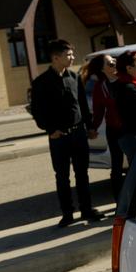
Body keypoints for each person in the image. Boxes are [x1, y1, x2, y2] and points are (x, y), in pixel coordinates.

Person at [30, 39, 104, 227]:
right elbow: (37, 110)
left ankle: (86, 209)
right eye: (68, 55)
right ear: (56, 57)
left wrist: (90, 127)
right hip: (58, 137)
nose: (72, 58)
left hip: (78, 134)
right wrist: (49, 129)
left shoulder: (74, 77)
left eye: (72, 54)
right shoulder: (41, 82)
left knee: (82, 173)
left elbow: (81, 105)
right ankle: (67, 213)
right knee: (62, 176)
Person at [81, 54, 125, 201]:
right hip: (114, 130)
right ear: (102, 69)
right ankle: (120, 202)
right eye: (109, 62)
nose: (114, 62)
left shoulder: (126, 78)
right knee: (117, 167)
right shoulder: (100, 87)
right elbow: (98, 111)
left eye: (114, 60)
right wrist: (92, 128)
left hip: (132, 129)